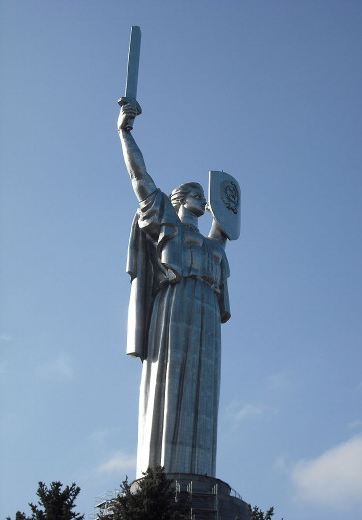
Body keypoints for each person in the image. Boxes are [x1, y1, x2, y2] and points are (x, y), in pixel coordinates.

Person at [118, 102, 231, 478]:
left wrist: (225, 204)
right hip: (175, 302)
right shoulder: (167, 221)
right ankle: (159, 477)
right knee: (170, 376)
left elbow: (230, 219)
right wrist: (126, 132)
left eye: (204, 195)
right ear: (180, 200)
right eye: (197, 194)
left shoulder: (214, 244)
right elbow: (140, 179)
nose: (203, 198)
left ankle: (198, 475)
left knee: (204, 389)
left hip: (207, 312)